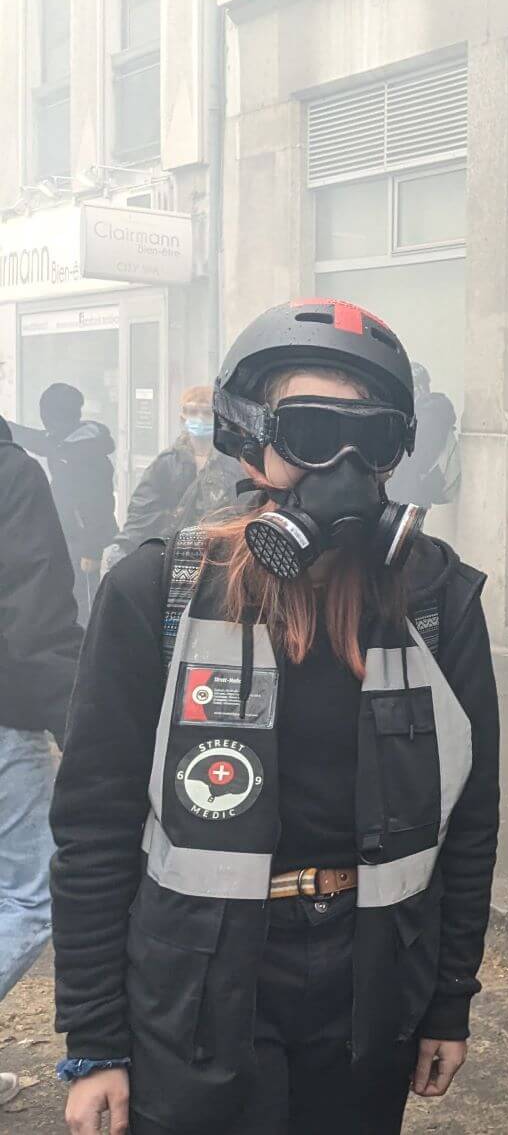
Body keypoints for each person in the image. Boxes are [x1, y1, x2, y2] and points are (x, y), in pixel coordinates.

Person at [50, 298, 500, 1135]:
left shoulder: (435, 601)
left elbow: (470, 821)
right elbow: (94, 825)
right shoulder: (159, 594)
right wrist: (95, 1038)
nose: (344, 465)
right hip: (194, 991)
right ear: (248, 438)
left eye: (371, 440)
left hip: (366, 995)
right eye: (310, 434)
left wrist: (447, 1001)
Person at [0, 414, 85, 1108]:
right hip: (3, 721)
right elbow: (35, 619)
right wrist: (74, 725)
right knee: (31, 894)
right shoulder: (14, 473)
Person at [104, 386, 249, 572]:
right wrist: (123, 546)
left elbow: (246, 510)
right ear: (183, 417)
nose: (200, 418)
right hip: (174, 557)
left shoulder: (235, 464)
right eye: (192, 411)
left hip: (220, 560)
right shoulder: (167, 463)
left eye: (206, 412)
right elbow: (143, 511)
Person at [12, 383, 118, 622]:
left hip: (85, 543)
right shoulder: (65, 441)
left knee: (84, 605)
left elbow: (99, 505)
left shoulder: (85, 451)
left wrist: (92, 551)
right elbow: (34, 439)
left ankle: (84, 654)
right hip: (68, 537)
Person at [385, 362, 459, 508]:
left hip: (409, 496)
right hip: (412, 494)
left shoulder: (427, 417)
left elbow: (414, 460)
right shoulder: (428, 413)